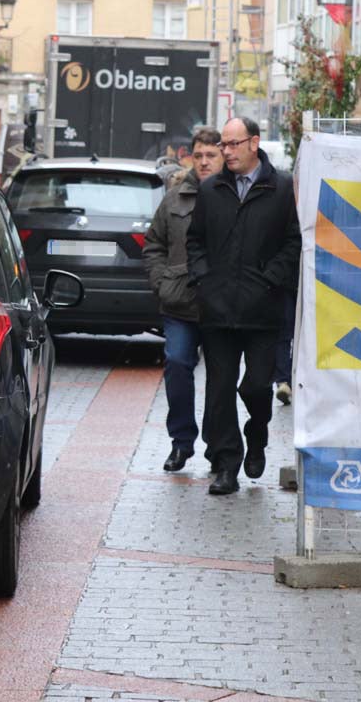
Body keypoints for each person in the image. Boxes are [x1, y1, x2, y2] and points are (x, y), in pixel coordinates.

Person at [186, 117, 301, 496]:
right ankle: (226, 464)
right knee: (218, 391)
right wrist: (204, 279)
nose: (227, 151)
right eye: (224, 145)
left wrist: (270, 279)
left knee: (256, 386)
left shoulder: (281, 187)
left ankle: (258, 432)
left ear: (254, 143)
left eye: (234, 144)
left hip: (263, 310)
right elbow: (195, 241)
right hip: (217, 309)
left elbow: (293, 242)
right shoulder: (211, 189)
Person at [143, 128, 224, 472]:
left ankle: (218, 446)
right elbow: (153, 245)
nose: (204, 162)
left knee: (221, 379)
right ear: (191, 156)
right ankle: (181, 442)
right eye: (199, 155)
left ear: (223, 156)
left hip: (222, 305)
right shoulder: (175, 197)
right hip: (179, 302)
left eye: (211, 155)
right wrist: (162, 282)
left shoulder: (233, 195)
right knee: (177, 364)